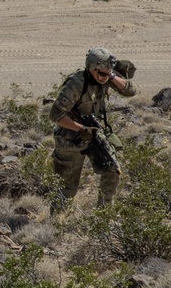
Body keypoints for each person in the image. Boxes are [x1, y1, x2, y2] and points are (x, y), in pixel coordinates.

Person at [49, 47, 136, 209]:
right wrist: (81, 129)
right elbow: (56, 114)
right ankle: (56, 224)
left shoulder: (106, 76)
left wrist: (112, 76)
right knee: (68, 188)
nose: (105, 77)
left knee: (112, 171)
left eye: (108, 73)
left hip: (94, 134)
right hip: (70, 138)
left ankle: (104, 217)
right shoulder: (77, 83)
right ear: (91, 68)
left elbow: (130, 91)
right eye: (102, 73)